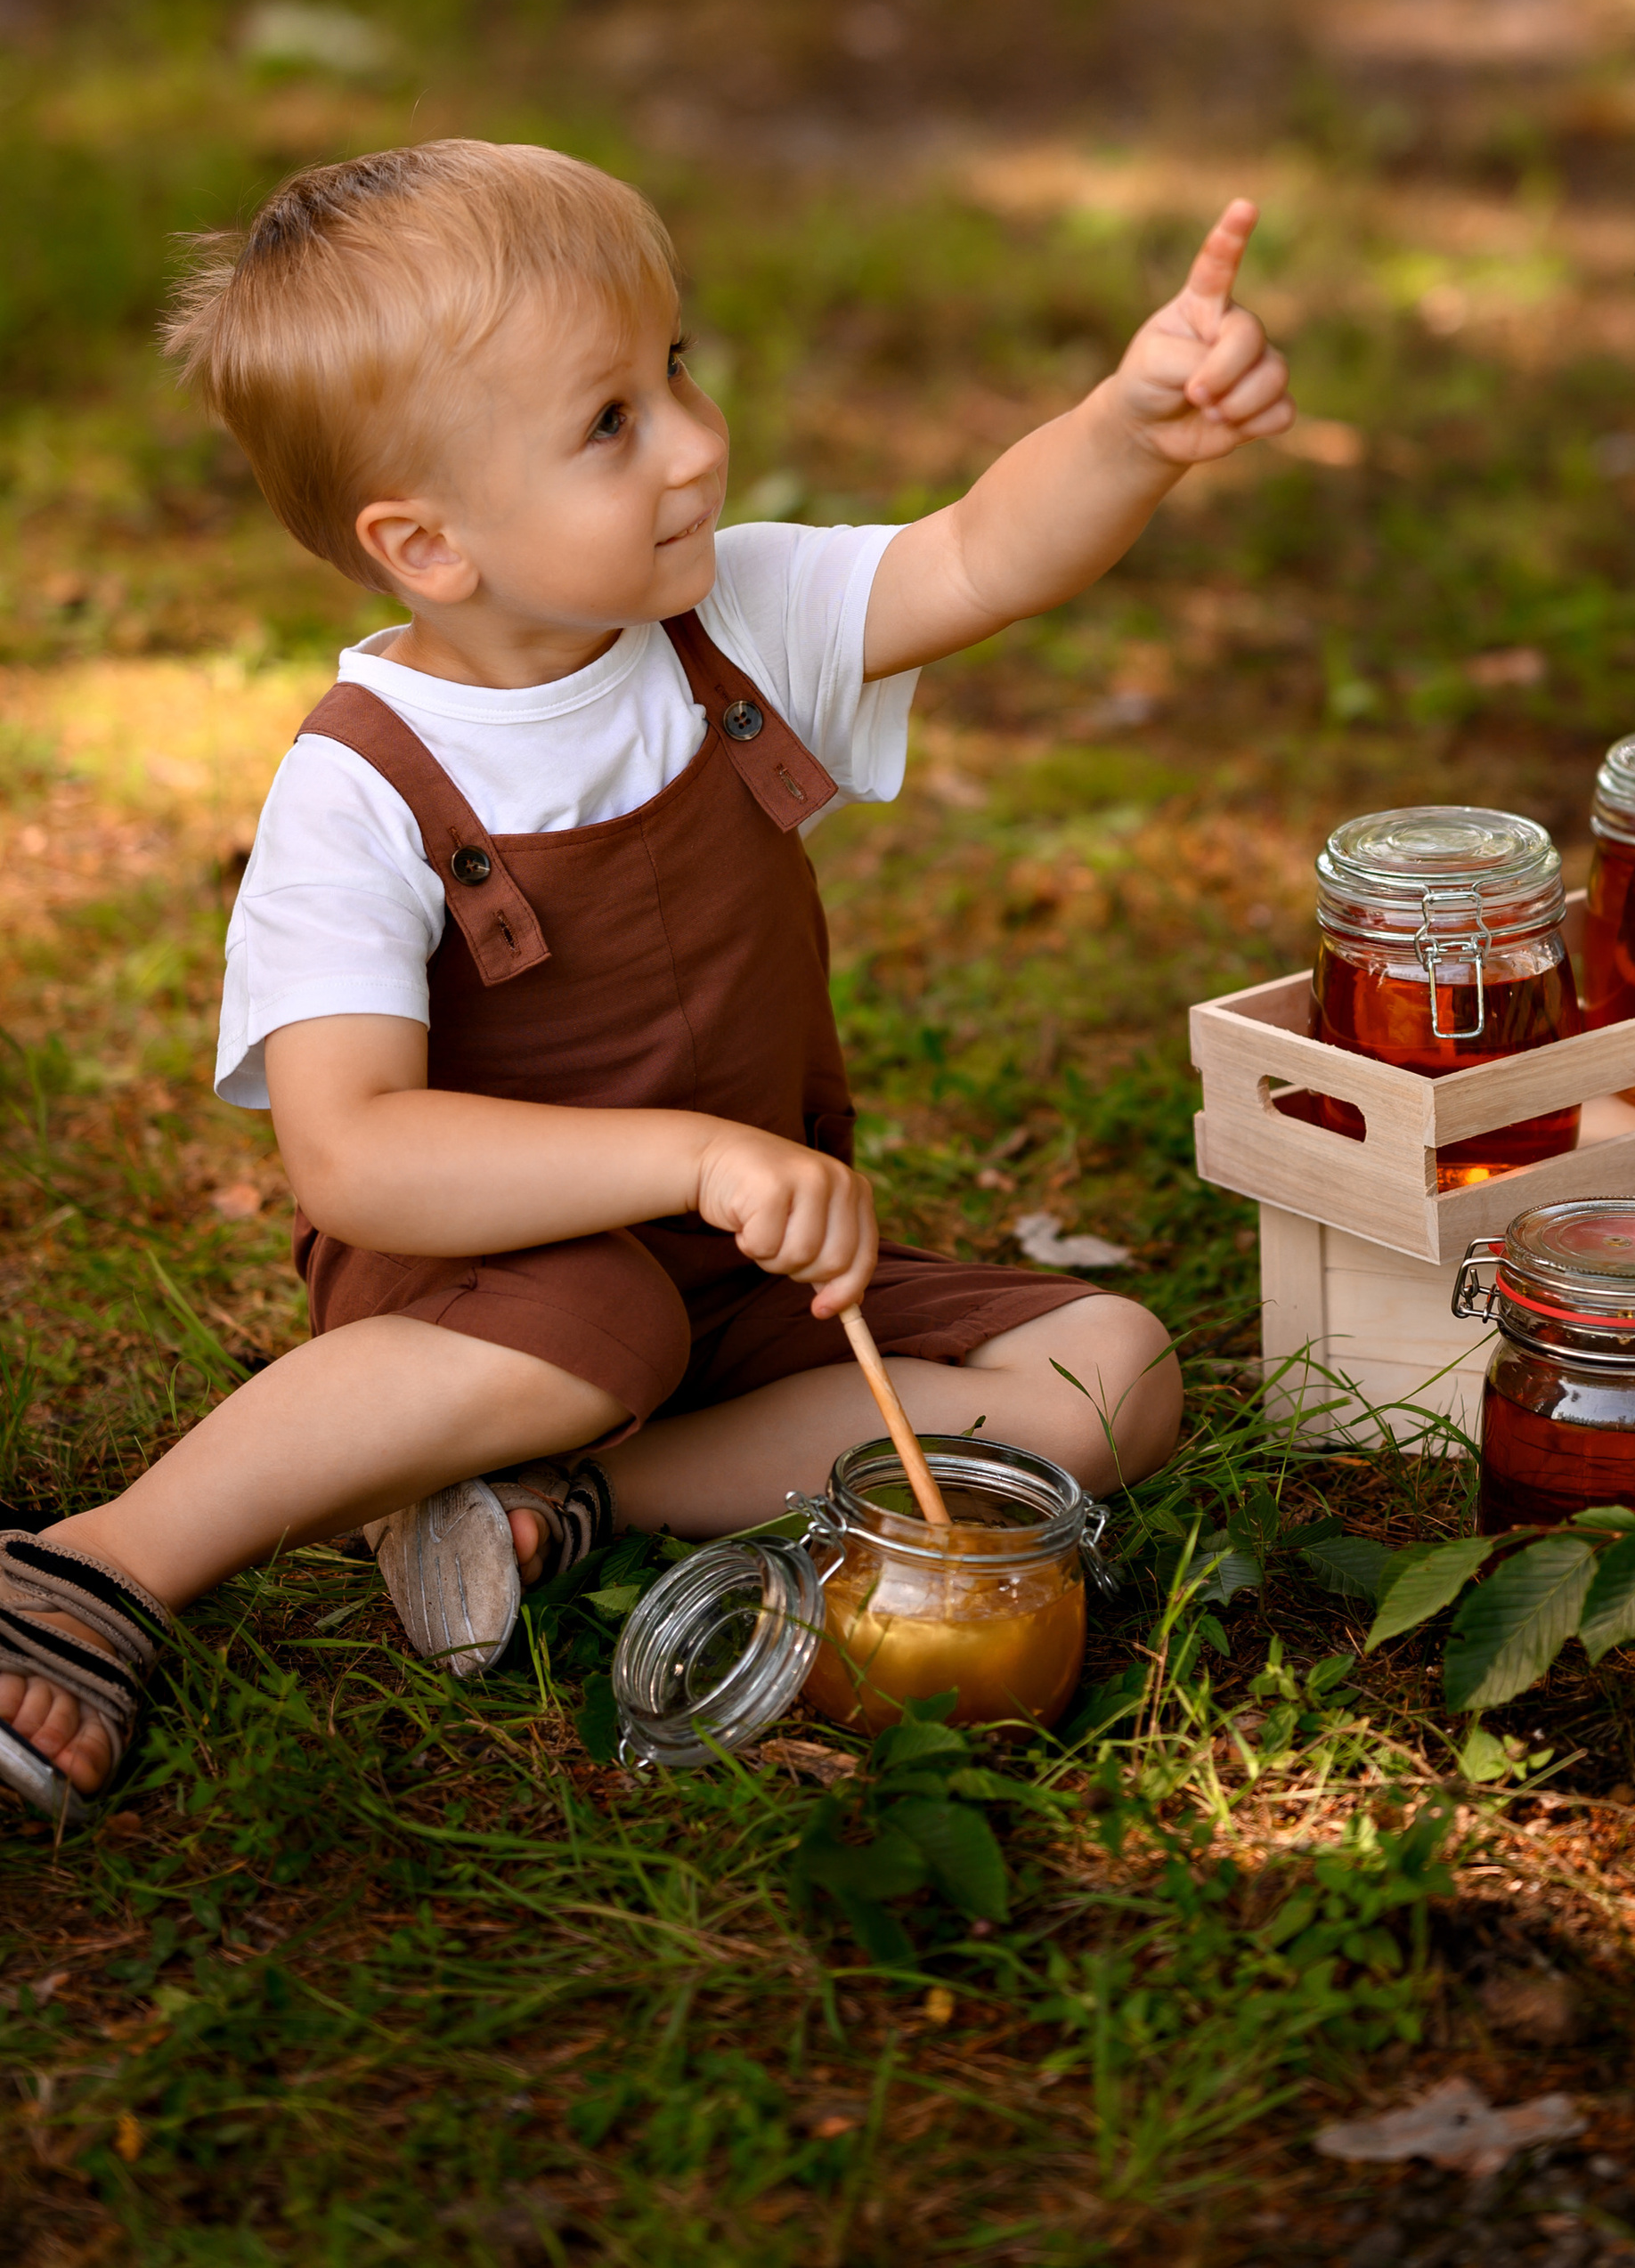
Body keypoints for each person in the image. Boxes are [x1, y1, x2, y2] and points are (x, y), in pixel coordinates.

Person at [0, 140, 1291, 1823]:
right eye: (610, 422)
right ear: (430, 542)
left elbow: (974, 555)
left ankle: (571, 1503)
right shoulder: (366, 786)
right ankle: (98, 1566)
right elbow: (353, 1154)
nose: (694, 441)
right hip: (485, 1302)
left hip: (742, 1267)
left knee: (1111, 1373)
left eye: (672, 367)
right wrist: (687, 1156)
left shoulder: (725, 622)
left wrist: (1128, 434)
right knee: (594, 1318)